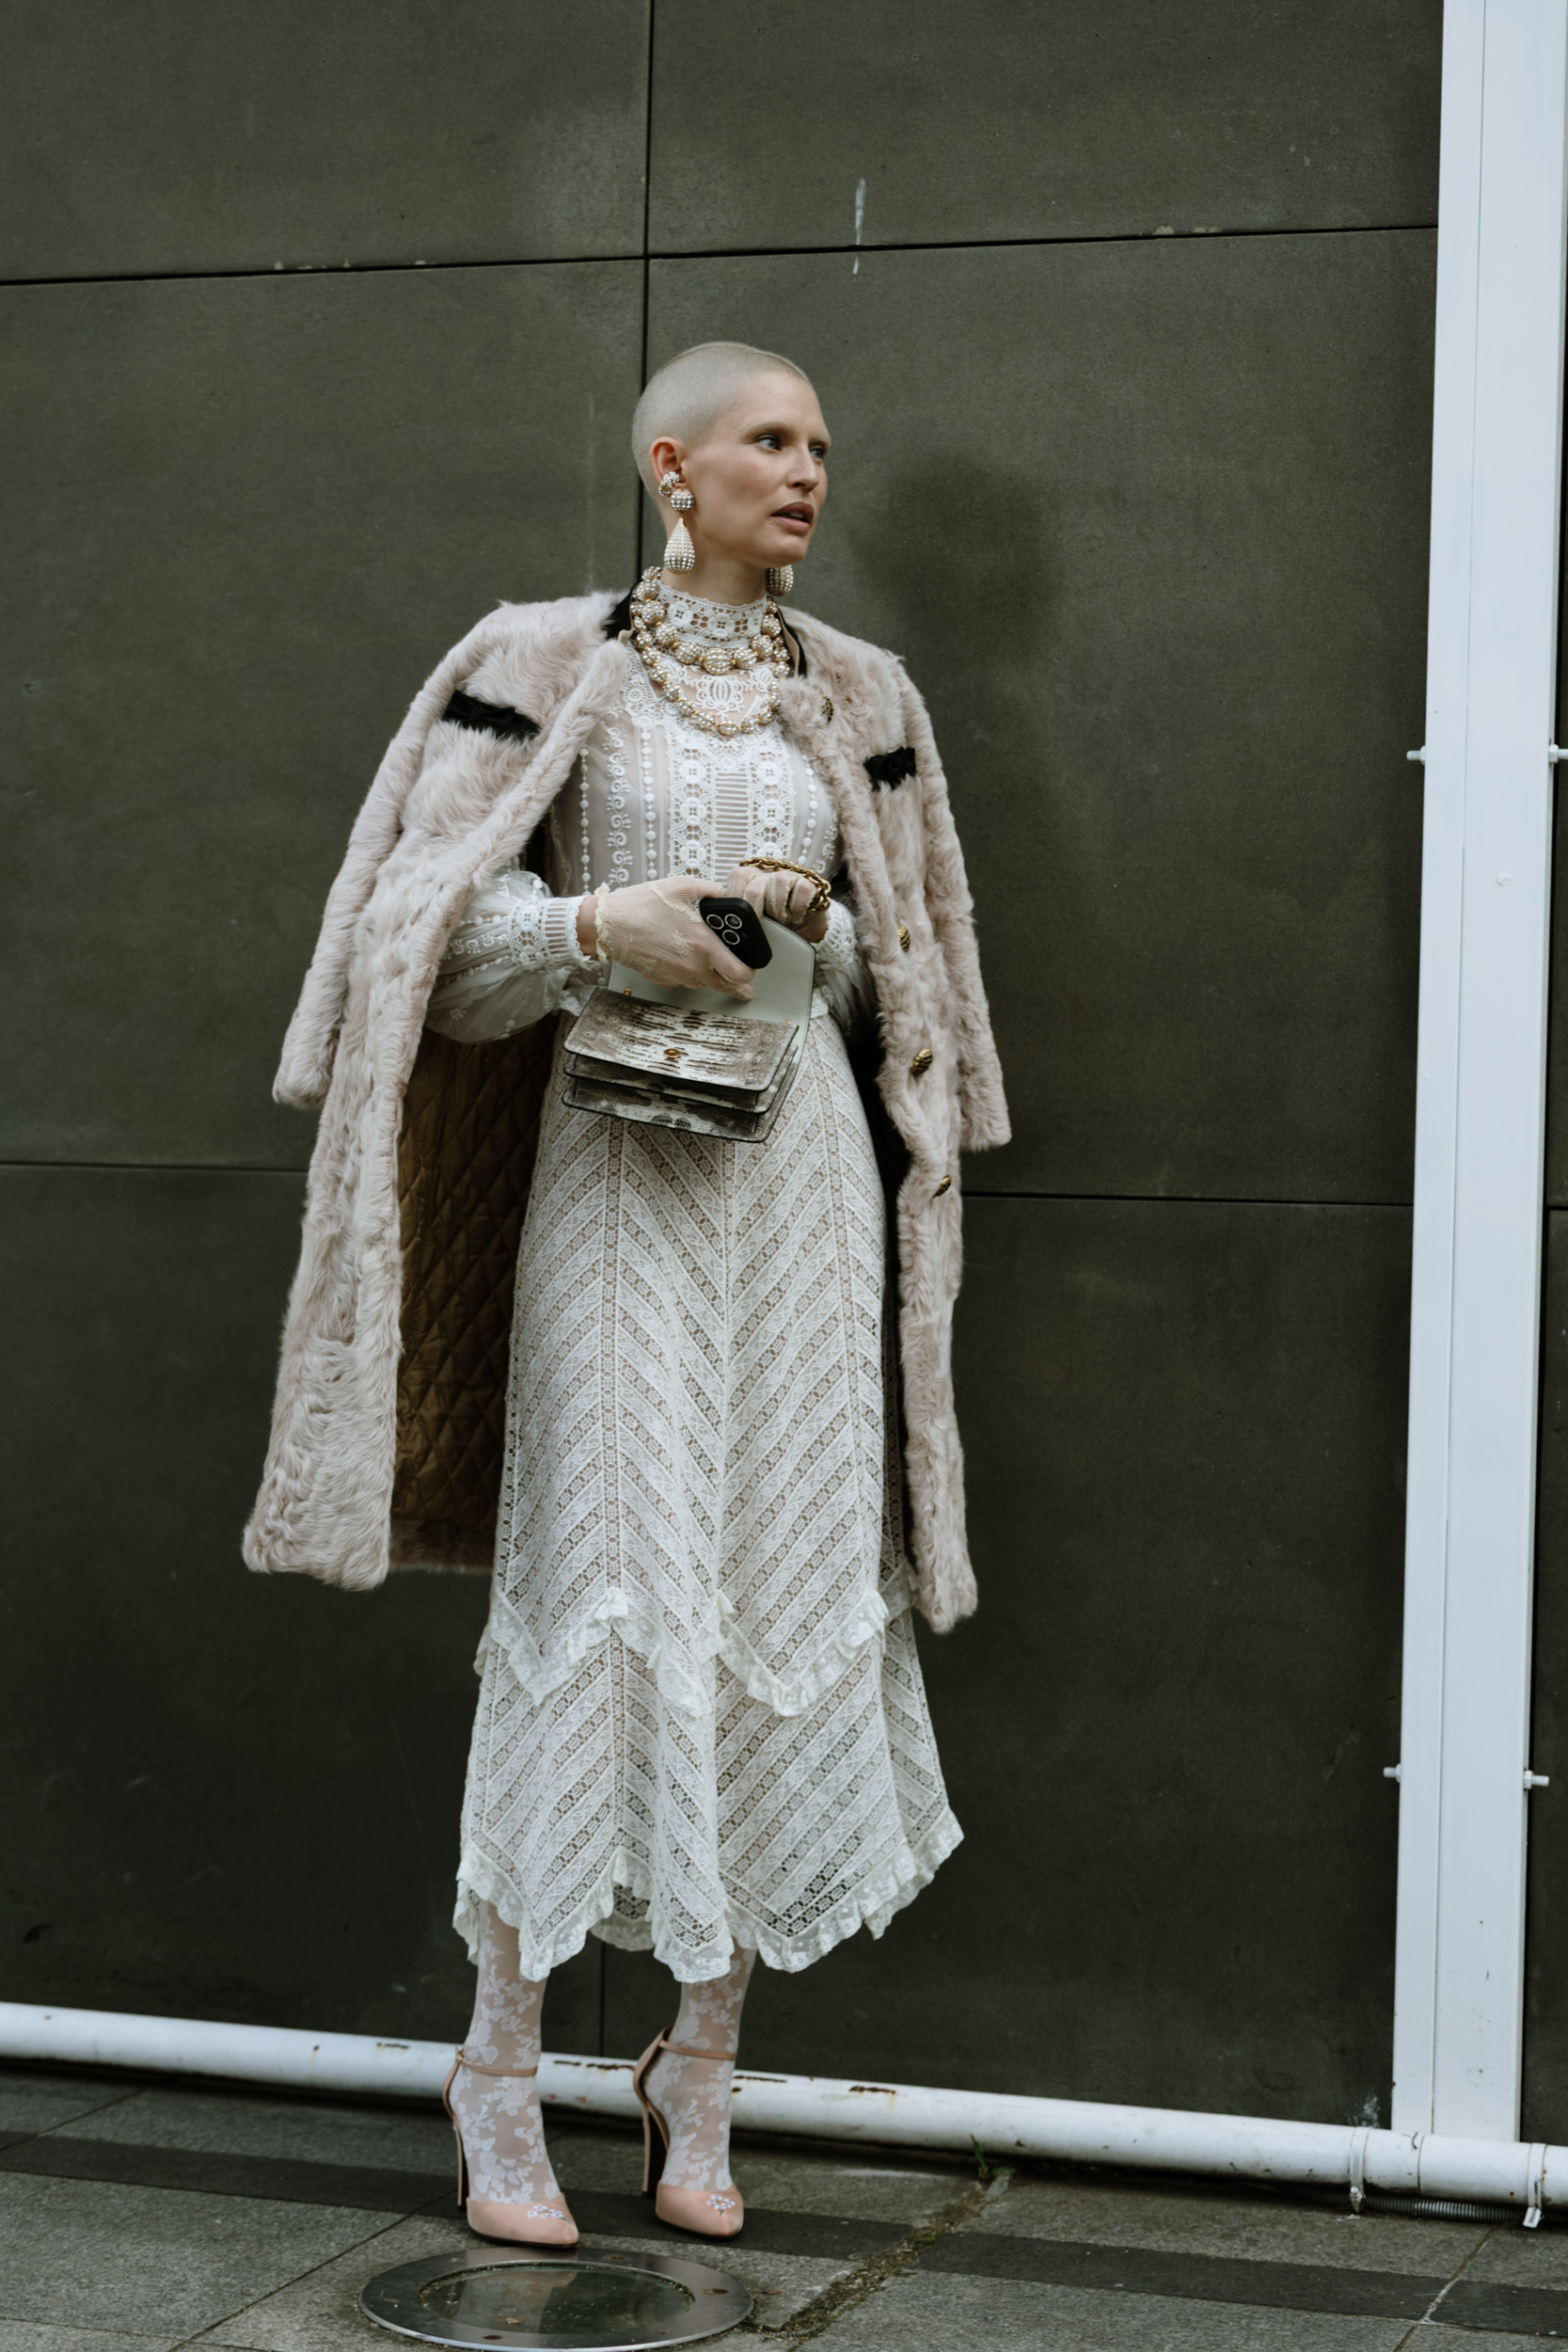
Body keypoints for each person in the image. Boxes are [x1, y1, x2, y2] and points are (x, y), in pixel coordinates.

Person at [245, 341, 1008, 2248]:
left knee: (783, 1580)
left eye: (823, 443)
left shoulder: (867, 694)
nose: (807, 468)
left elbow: (907, 993)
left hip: (804, 1187)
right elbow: (426, 953)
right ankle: (498, 2065)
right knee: (596, 1582)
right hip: (611, 1176)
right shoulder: (535, 658)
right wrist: (607, 923)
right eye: (770, 438)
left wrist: (802, 935)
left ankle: (701, 2063)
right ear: (672, 464)